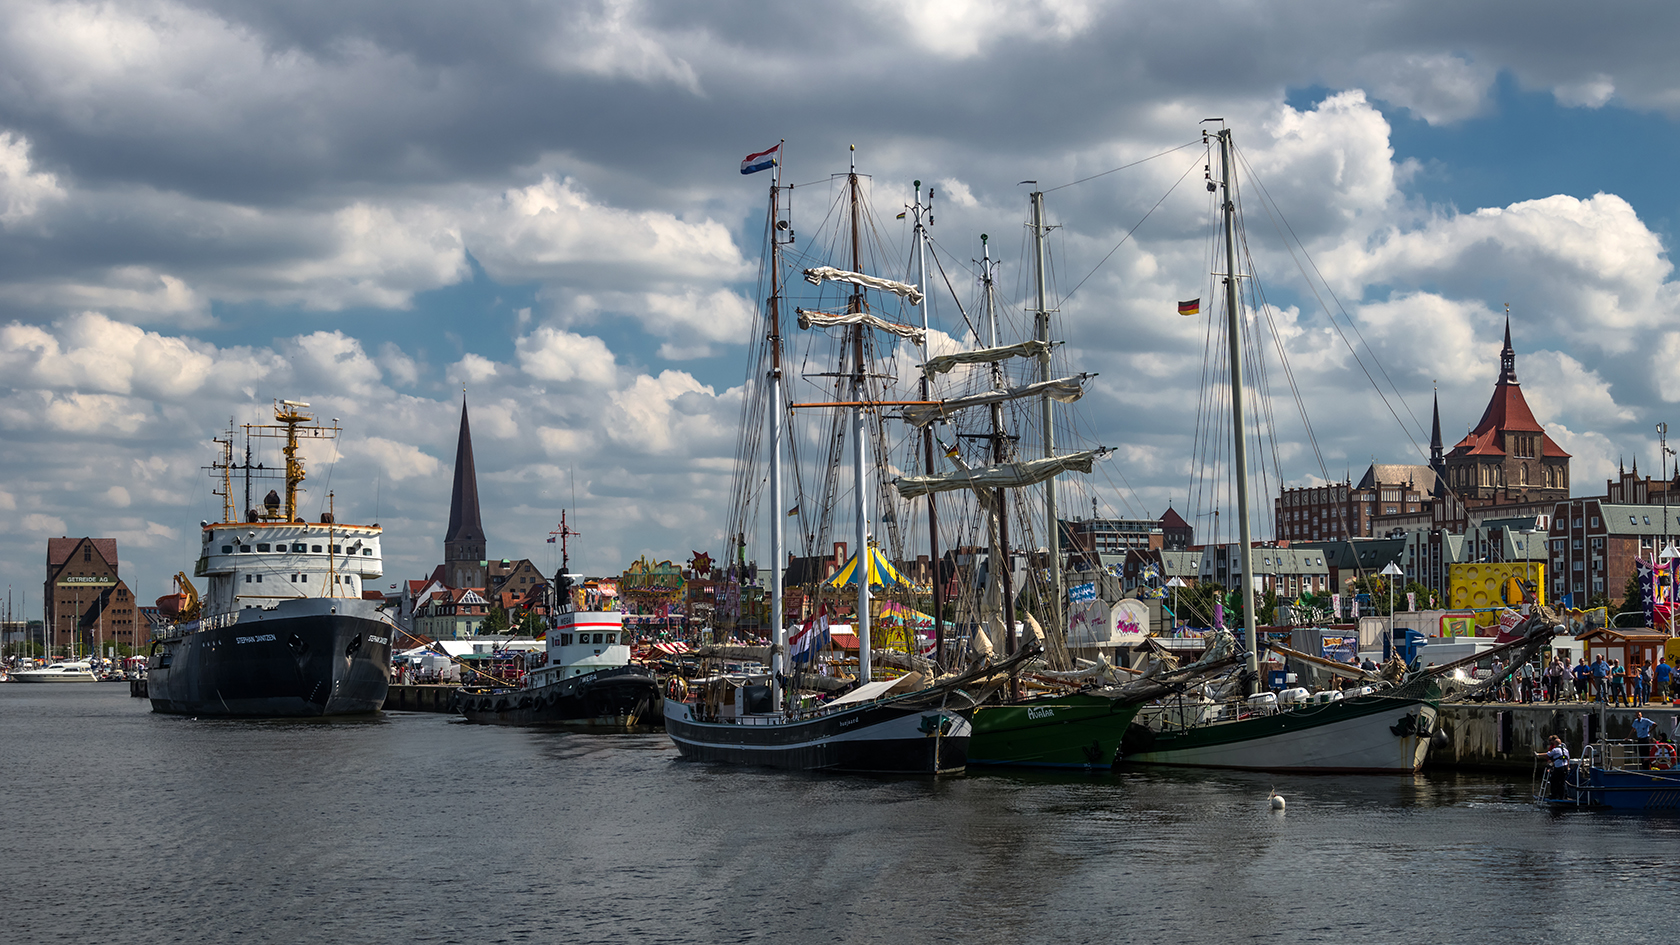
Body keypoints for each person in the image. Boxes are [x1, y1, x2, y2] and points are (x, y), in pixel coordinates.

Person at [1535, 735, 1571, 800]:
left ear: (1555, 743)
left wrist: (1538, 755)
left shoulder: (1555, 750)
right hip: (1565, 767)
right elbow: (1568, 759)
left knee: (1553, 781)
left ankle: (1553, 795)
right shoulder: (1566, 750)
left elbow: (1547, 754)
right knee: (1562, 782)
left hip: (1559, 768)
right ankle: (1562, 796)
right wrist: (1568, 767)